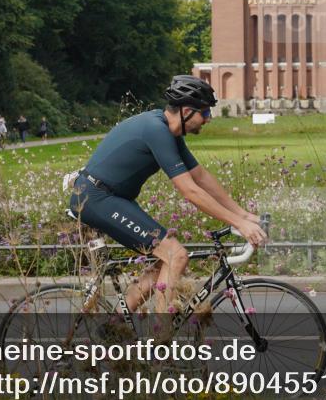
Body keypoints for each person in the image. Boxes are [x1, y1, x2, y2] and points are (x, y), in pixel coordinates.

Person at [68, 75, 266, 314]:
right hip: (96, 198)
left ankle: (115, 325)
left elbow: (200, 177)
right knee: (176, 255)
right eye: (204, 113)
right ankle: (162, 338)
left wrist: (244, 215)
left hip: (110, 197)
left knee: (164, 262)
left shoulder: (169, 131)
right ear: (186, 111)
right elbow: (189, 190)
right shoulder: (156, 130)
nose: (208, 119)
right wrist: (238, 224)